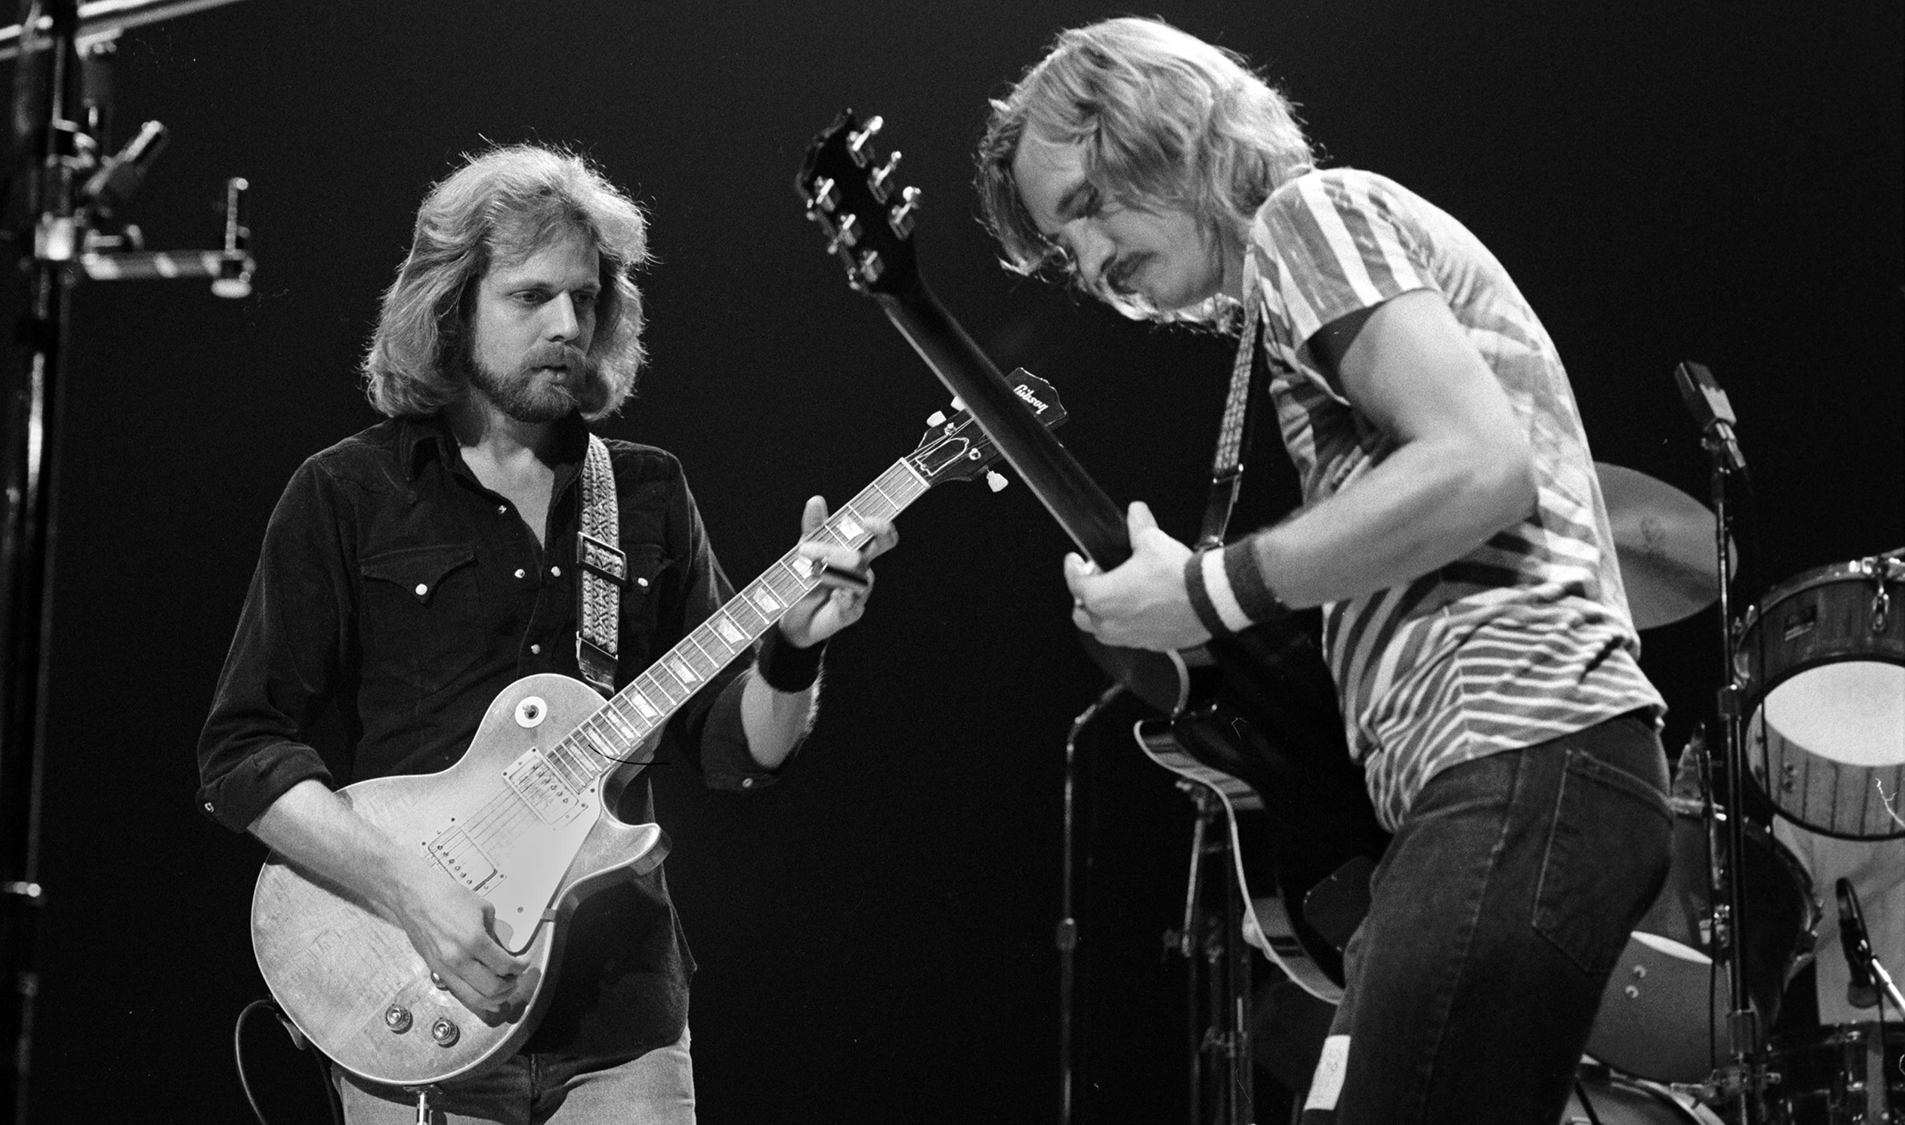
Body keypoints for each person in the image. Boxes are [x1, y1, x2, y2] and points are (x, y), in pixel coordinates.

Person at [975, 18, 1671, 1124]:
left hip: (1518, 753)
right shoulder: (1303, 285)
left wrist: (1202, 592)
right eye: (1064, 255)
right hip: (1501, 779)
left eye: (1084, 209)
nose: (1092, 268)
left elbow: (1477, 465)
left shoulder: (1311, 216)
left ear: (1158, 128)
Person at [196, 143, 896, 1123]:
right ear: (450, 304)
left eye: (585, 297)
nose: (568, 325)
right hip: (416, 1006)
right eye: (530, 297)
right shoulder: (345, 493)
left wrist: (794, 647)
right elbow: (242, 756)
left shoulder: (646, 490)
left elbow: (740, 755)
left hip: (622, 1026)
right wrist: (407, 891)